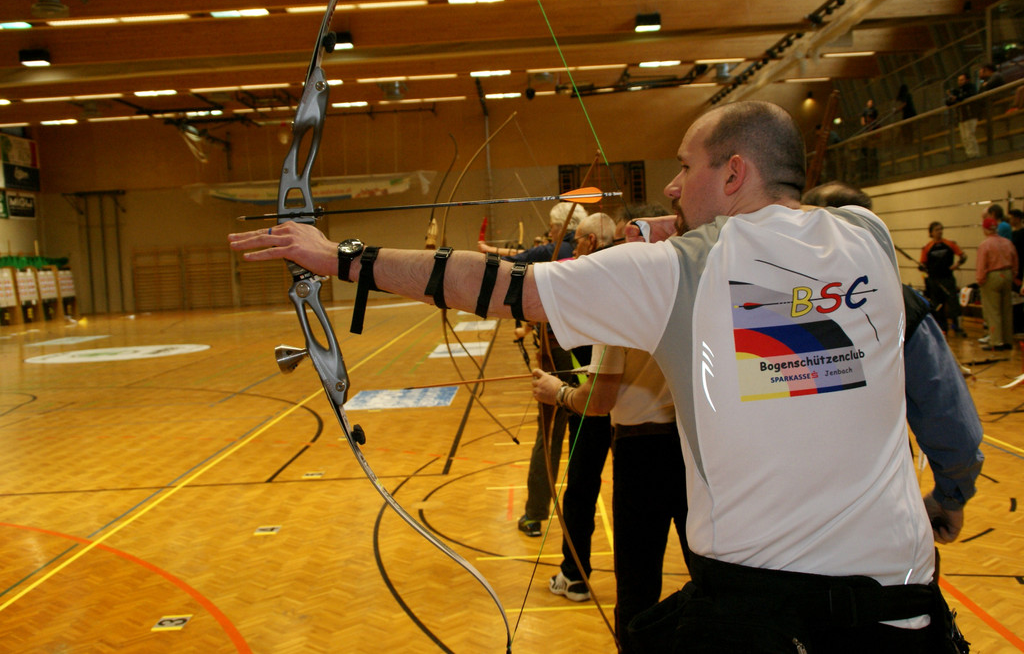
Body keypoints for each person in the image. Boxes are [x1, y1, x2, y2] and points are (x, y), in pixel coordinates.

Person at [230, 100, 967, 652]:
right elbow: (785, 241)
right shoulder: (868, 240)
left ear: (733, 171)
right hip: (904, 611)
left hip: (762, 619)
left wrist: (339, 258)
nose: (673, 188)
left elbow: (491, 283)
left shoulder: (679, 273)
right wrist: (953, 489)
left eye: (685, 167)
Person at [533, 214, 689, 651]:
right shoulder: (689, 285)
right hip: (697, 447)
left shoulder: (620, 299)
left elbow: (598, 402)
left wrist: (558, 392)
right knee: (711, 574)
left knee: (637, 590)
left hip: (643, 453)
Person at [800, 182, 983, 544]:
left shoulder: (755, 305)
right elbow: (950, 421)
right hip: (876, 511)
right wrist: (951, 495)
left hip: (774, 523)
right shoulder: (897, 303)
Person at [482, 202, 586, 537]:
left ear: (562, 228)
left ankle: (534, 513)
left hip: (558, 356)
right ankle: (575, 518)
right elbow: (526, 253)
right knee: (590, 437)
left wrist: (485, 253)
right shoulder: (589, 251)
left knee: (551, 435)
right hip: (588, 356)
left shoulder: (559, 248)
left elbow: (517, 260)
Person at [540, 212, 615, 603]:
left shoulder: (582, 278)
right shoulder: (627, 276)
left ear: (588, 241)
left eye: (578, 239)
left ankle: (574, 575)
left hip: (592, 401)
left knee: (581, 491)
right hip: (633, 408)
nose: (572, 243)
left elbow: (549, 295)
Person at [976, 216, 1019, 350]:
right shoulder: (1007, 242)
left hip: (992, 276)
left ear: (985, 229)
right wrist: (1013, 275)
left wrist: (980, 280)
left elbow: (982, 264)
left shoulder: (985, 244)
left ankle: (996, 341)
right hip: (1007, 274)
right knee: (1006, 309)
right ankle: (1007, 340)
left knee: (993, 310)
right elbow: (1015, 260)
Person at [920, 221, 968, 336]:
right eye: (937, 230)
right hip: (934, 281)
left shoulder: (949, 244)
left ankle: (957, 327)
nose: (940, 232)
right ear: (931, 232)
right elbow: (923, 264)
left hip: (948, 279)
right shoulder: (927, 248)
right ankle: (942, 328)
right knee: (937, 306)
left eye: (941, 229)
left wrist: (957, 265)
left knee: (953, 304)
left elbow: (963, 256)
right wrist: (922, 268)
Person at [946, 73, 980, 158]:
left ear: (967, 80)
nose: (960, 82)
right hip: (961, 117)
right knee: (964, 137)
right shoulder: (958, 91)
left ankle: (974, 154)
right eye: (959, 80)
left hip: (969, 115)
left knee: (969, 135)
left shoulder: (970, 87)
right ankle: (969, 154)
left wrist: (957, 98)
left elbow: (966, 96)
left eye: (962, 80)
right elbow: (949, 102)